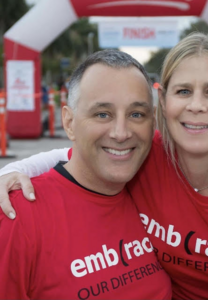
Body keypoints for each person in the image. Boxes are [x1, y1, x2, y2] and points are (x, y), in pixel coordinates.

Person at [0, 33, 208, 300]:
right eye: (183, 91)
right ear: (164, 101)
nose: (196, 105)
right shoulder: (146, 155)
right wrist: (10, 173)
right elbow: (79, 153)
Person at [0, 50, 172, 299]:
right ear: (69, 123)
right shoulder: (18, 215)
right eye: (102, 114)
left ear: (153, 122)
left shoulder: (153, 189)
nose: (121, 133)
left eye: (136, 114)